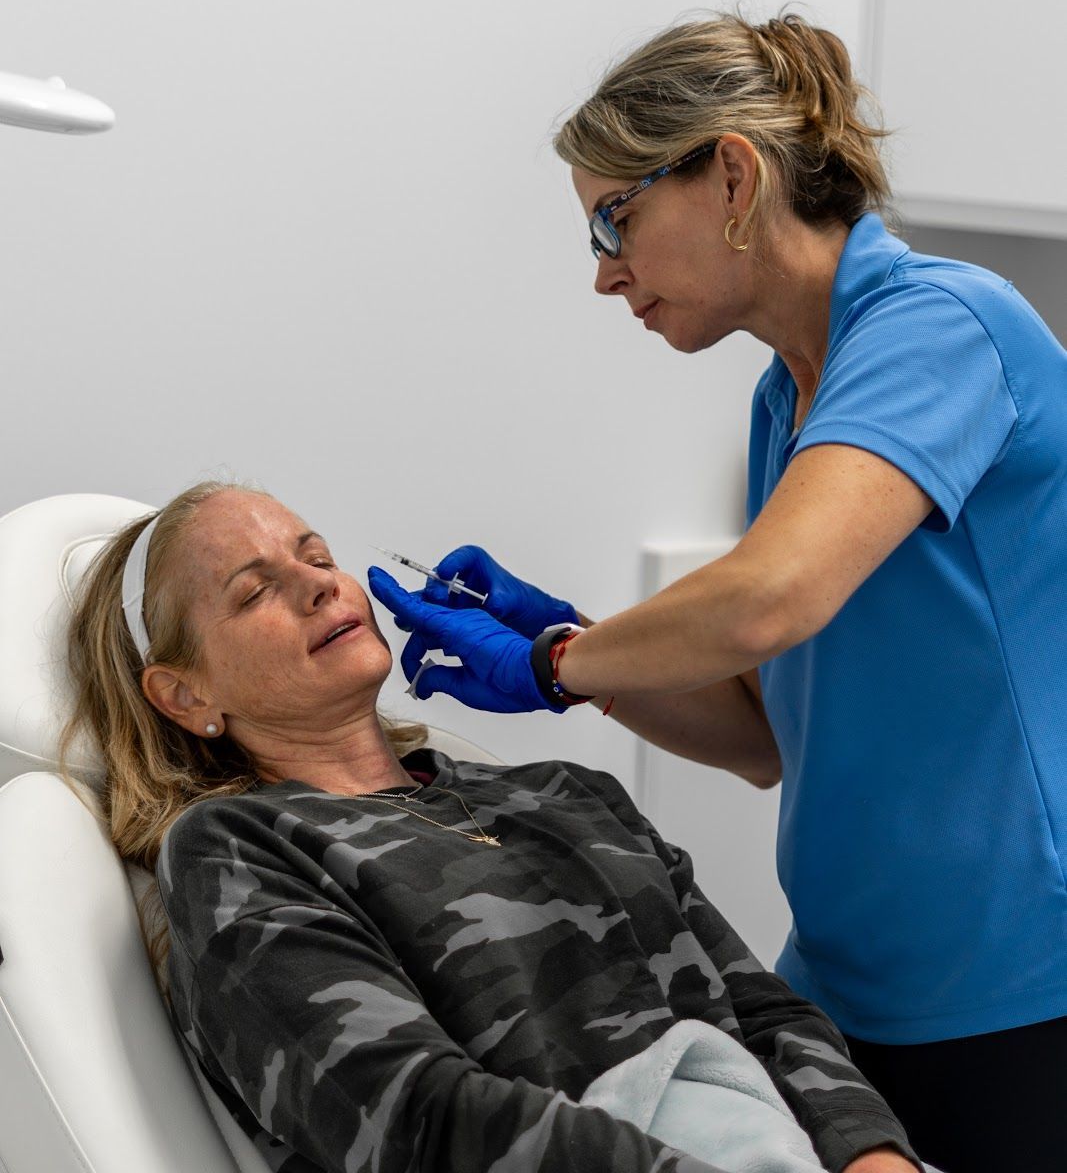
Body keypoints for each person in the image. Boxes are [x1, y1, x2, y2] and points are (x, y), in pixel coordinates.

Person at [367, 10, 1067, 1173]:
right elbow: (759, 733)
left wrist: (546, 668)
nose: (602, 272)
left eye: (615, 216)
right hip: (845, 989)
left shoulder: (940, 323)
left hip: (1014, 988)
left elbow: (766, 597)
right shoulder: (783, 401)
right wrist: (580, 653)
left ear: (731, 175)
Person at [60, 480, 924, 1173]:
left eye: (315, 554)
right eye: (256, 593)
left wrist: (871, 1154)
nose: (319, 583)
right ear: (185, 696)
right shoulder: (239, 850)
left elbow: (764, 1011)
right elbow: (411, 1118)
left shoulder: (566, 793)